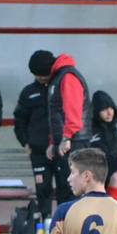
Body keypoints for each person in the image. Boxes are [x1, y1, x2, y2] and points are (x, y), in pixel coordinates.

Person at [43, 51, 91, 207]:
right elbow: (55, 115)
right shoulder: (58, 78)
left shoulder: (67, 77)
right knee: (64, 189)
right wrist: (53, 142)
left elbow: (73, 111)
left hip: (74, 142)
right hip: (65, 142)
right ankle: (63, 230)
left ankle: (75, 230)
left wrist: (67, 137)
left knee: (73, 190)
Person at [14, 50, 57, 220]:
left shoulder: (61, 88)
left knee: (65, 187)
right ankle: (45, 224)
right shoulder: (28, 92)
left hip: (61, 149)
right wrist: (25, 142)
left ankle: (67, 227)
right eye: (37, 75)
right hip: (38, 151)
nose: (41, 78)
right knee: (42, 188)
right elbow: (20, 120)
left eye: (43, 74)